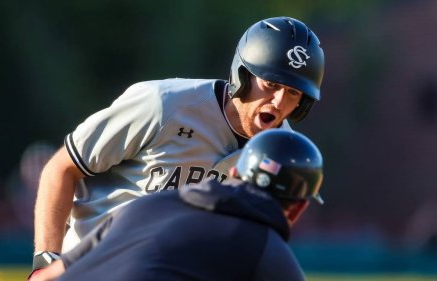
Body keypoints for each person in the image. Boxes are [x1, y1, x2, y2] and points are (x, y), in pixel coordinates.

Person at [32, 16, 325, 272]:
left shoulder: (279, 152)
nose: (278, 101)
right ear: (243, 75)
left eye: (293, 93)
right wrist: (46, 261)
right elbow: (62, 168)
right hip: (92, 265)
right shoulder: (163, 105)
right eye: (271, 84)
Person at [29, 129, 325, 281]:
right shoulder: (268, 250)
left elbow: (46, 277)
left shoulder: (148, 205)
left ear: (234, 173)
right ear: (298, 208)